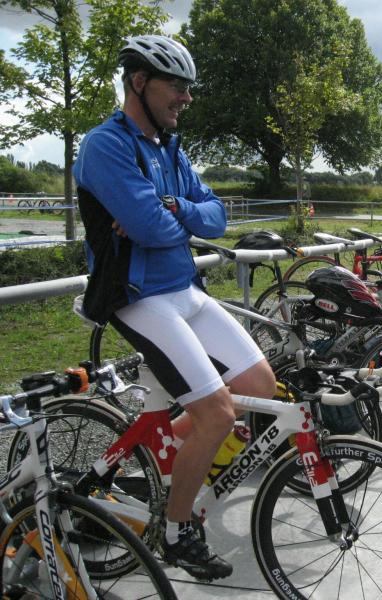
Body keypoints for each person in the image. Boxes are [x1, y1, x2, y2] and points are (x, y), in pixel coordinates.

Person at [73, 35, 276, 581]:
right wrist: (171, 219)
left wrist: (173, 208)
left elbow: (216, 219)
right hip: (139, 298)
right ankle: (176, 530)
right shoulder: (105, 145)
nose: (186, 98)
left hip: (185, 290)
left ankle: (163, 452)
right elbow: (149, 228)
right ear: (139, 82)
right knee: (219, 414)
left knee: (259, 385)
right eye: (177, 87)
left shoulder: (170, 148)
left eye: (189, 88)